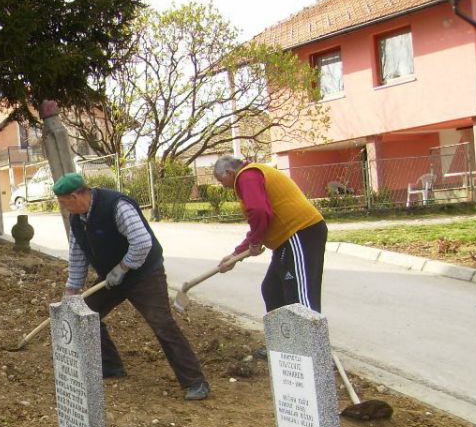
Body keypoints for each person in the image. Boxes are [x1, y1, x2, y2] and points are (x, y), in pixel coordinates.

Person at [52, 172, 210, 401]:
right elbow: (77, 255)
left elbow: (142, 242)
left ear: (76, 196)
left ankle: (195, 382)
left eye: (64, 202)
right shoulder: (78, 220)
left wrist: (123, 268)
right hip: (111, 278)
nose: (64, 208)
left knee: (162, 323)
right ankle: (111, 366)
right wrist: (72, 291)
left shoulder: (116, 205)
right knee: (84, 313)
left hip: (144, 274)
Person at [213, 155, 328, 313]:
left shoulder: (246, 176)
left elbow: (259, 211)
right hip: (288, 238)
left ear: (229, 172)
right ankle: (283, 337)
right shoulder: (250, 175)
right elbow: (261, 221)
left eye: (221, 180)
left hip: (300, 232)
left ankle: (310, 337)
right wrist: (236, 254)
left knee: (301, 299)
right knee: (273, 291)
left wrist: (254, 243)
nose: (223, 185)